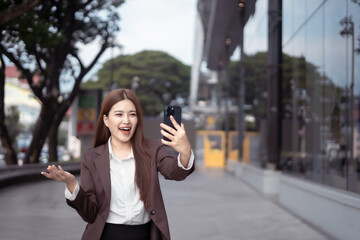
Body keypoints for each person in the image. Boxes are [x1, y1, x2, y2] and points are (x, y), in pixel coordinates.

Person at [41, 89, 195, 240]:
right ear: (106, 120)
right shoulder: (92, 158)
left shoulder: (153, 149)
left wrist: (185, 151)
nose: (126, 120)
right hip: (106, 234)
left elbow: (174, 172)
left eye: (132, 114)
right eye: (119, 114)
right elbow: (90, 213)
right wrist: (72, 184)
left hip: (144, 234)